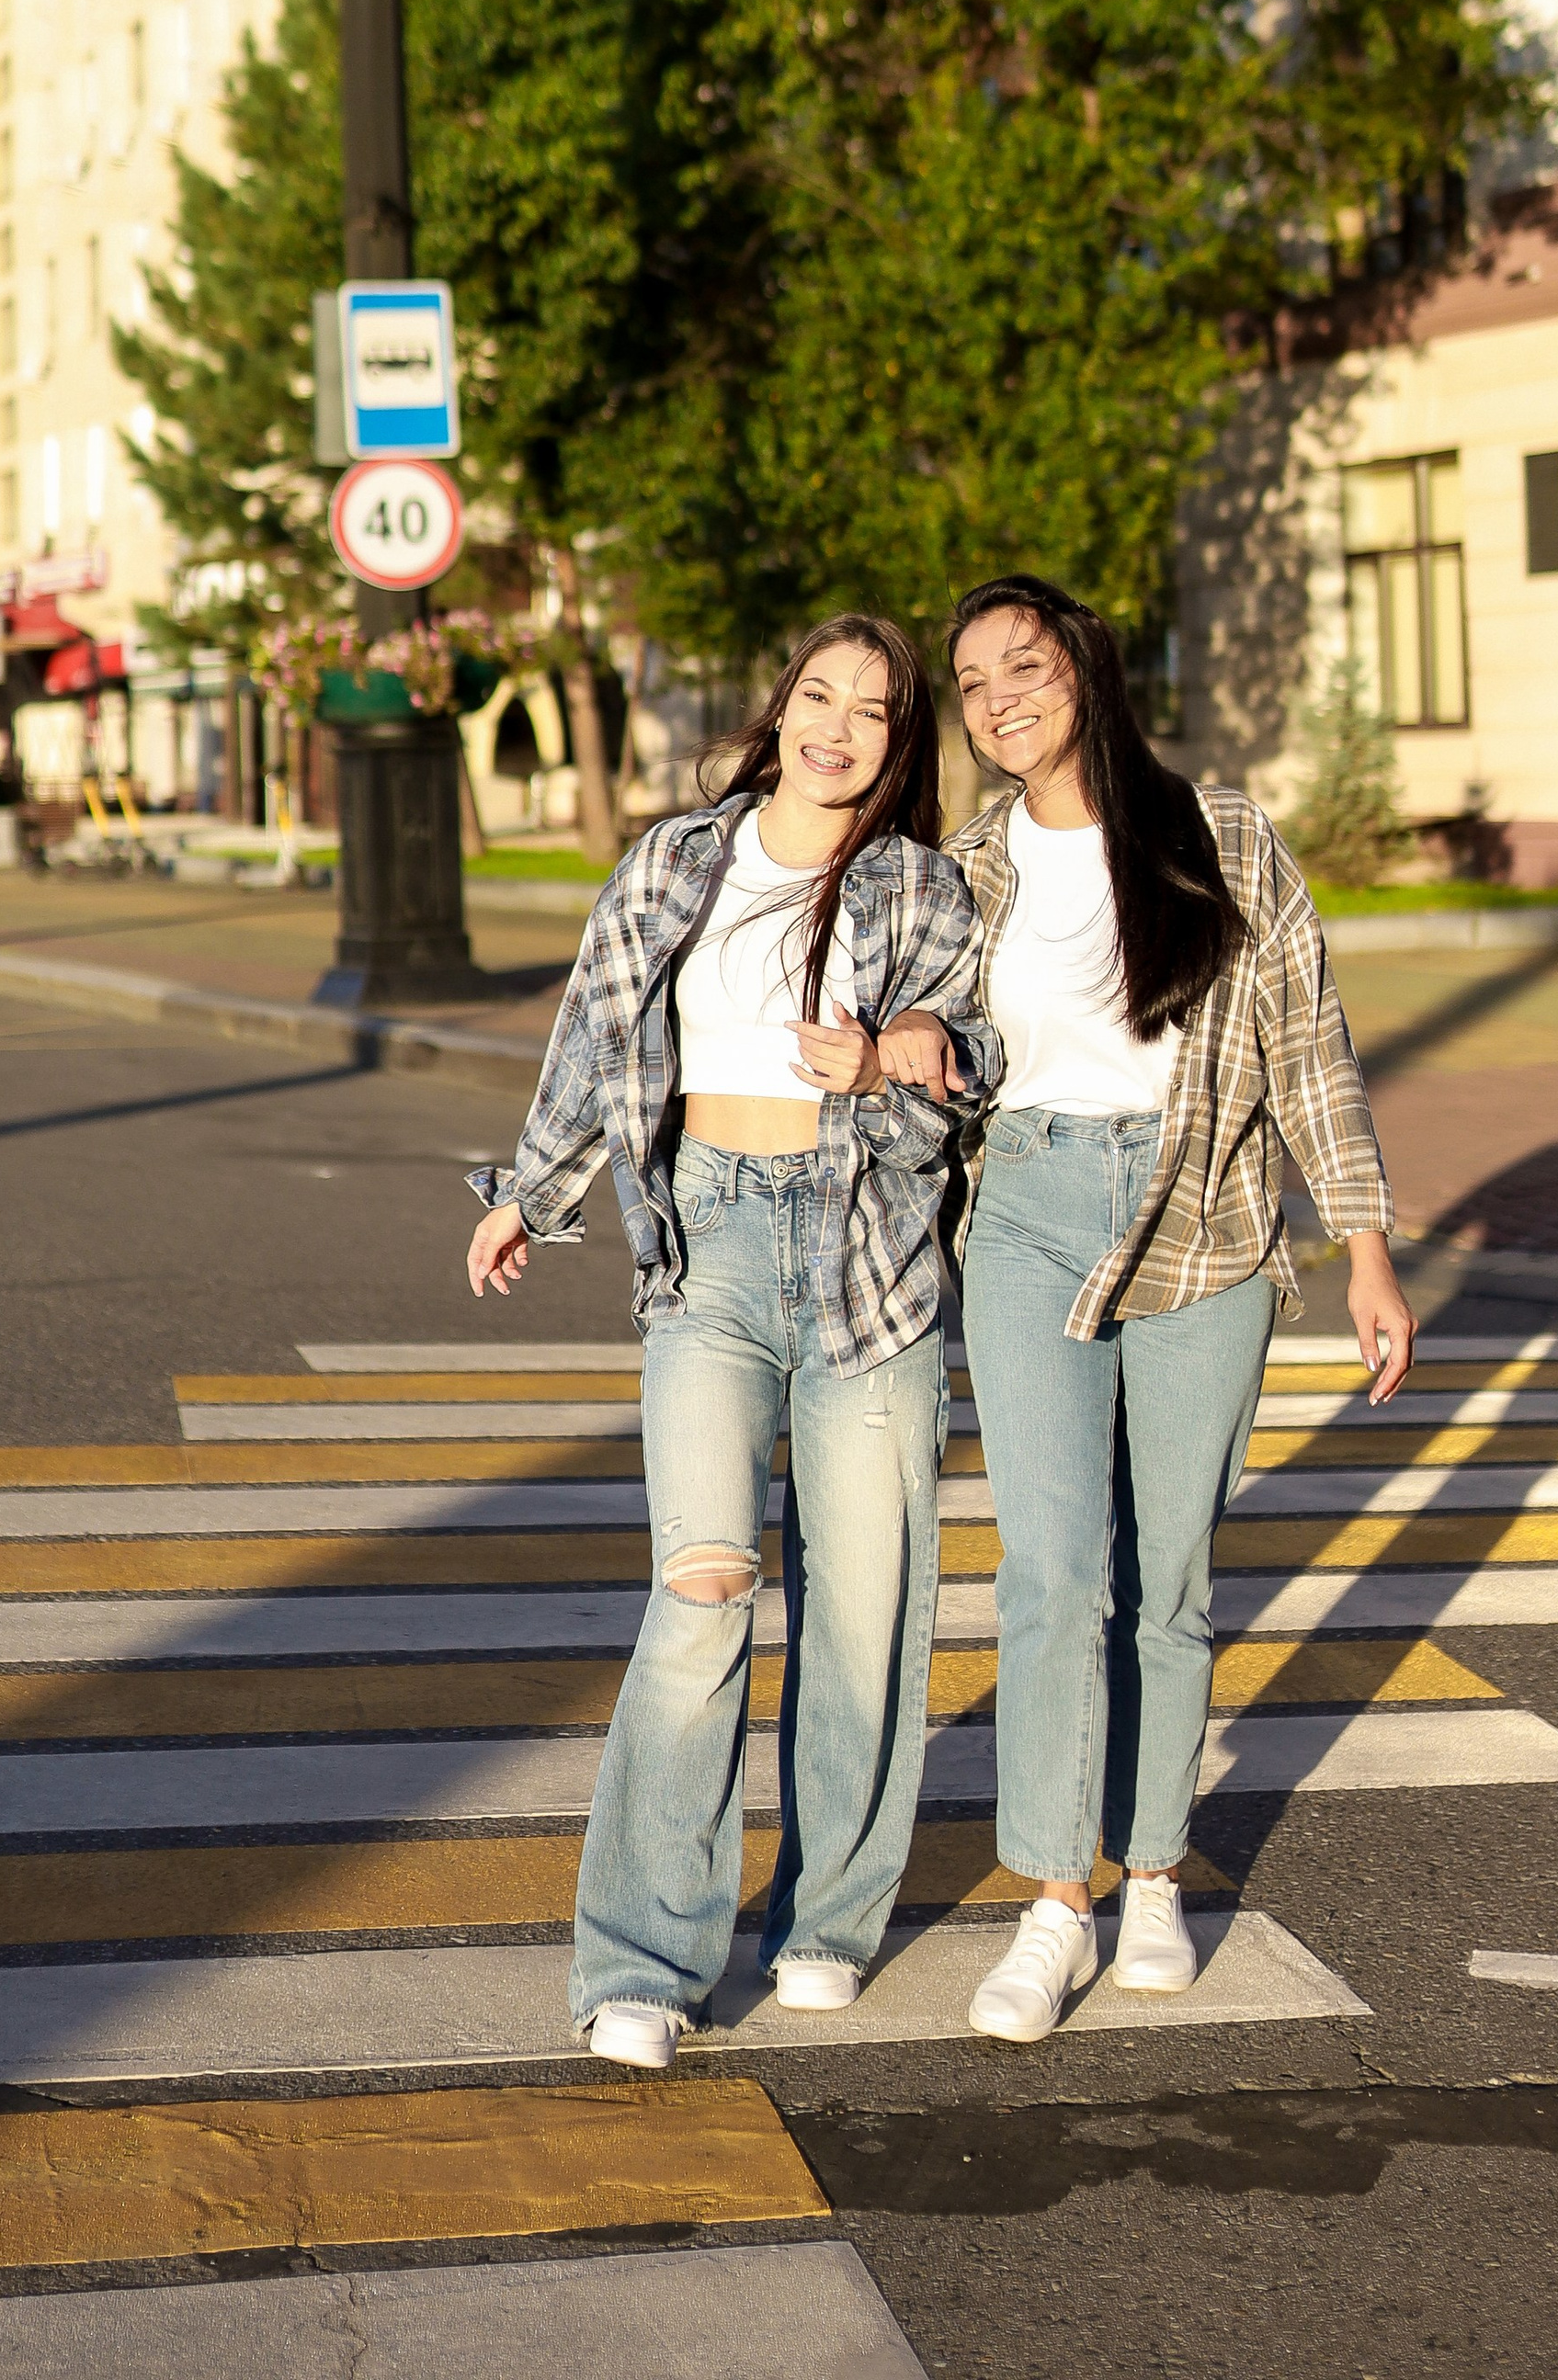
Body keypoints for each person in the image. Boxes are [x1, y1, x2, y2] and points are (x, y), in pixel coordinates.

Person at [879, 572, 1417, 2046]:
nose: (999, 699)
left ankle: (1155, 1875)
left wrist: (1365, 1249)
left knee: (1167, 1581)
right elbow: (940, 1045)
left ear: (1085, 667)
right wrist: (917, 1041)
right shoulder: (968, 870)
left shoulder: (1222, 836)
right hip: (1033, 1218)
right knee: (1057, 1573)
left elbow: (1311, 1047)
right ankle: (1057, 1901)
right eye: (973, 683)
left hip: (1212, 1224)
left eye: (1023, 665)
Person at [466, 614, 996, 2073]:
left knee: (865, 1611)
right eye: (818, 696)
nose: (838, 727)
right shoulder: (678, 862)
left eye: (874, 712)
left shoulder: (925, 894)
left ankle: (827, 1920)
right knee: (702, 1592)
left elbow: (969, 1081)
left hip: (869, 1261)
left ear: (899, 749)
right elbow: (595, 1031)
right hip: (705, 1249)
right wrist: (529, 1194)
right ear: (783, 710)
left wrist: (893, 1064)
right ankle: (643, 1956)